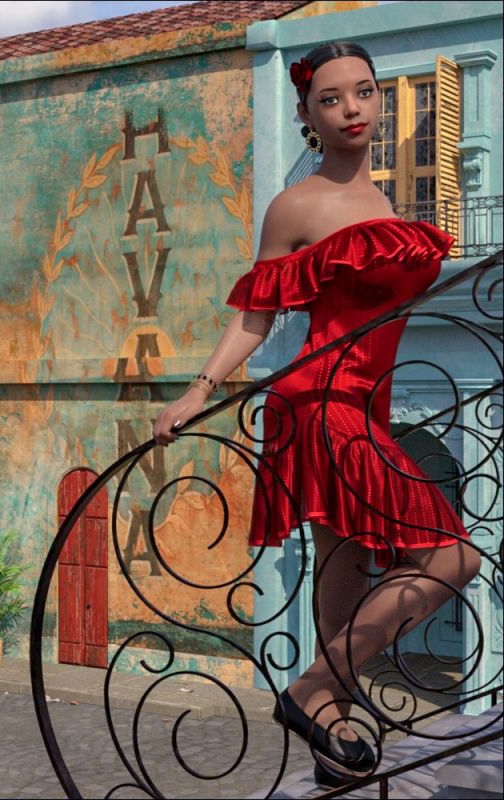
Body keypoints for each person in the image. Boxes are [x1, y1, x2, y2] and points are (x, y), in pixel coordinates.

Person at [152, 42, 481, 788]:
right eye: (331, 99)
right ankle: (307, 693)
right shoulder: (296, 206)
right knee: (454, 556)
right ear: (306, 115)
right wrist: (201, 389)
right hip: (323, 405)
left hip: (367, 403)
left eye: (363, 92)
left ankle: (331, 735)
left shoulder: (383, 202)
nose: (352, 109)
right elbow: (255, 317)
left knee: (347, 568)